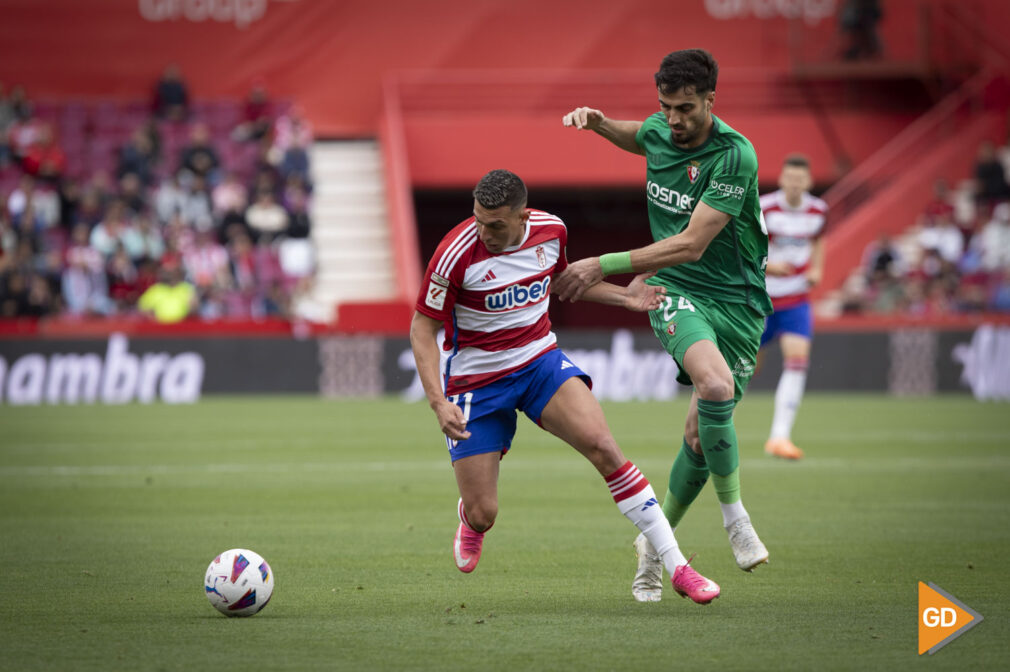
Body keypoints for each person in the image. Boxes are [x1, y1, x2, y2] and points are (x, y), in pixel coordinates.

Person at [410, 169, 721, 604]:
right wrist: (438, 403)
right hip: (477, 382)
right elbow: (422, 330)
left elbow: (561, 284)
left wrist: (625, 298)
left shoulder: (551, 230)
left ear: (523, 216)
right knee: (485, 512)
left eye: (496, 224)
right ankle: (470, 519)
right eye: (478, 220)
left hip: (539, 362)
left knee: (604, 447)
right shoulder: (455, 253)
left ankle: (677, 567)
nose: (484, 231)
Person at [557, 48, 770, 602]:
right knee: (716, 385)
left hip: (740, 303)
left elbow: (694, 244)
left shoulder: (734, 156)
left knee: (701, 435)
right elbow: (640, 134)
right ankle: (736, 519)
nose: (673, 119)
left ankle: (654, 546)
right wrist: (601, 124)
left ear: (710, 101)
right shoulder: (659, 128)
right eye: (665, 107)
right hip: (675, 289)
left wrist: (601, 264)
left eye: (684, 108)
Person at [757, 155, 827, 460]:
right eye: (790, 178)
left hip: (796, 298)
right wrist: (768, 266)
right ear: (782, 179)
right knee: (744, 368)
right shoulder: (765, 206)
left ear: (808, 182)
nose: (795, 184)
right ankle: (714, 424)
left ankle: (780, 437)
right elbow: (746, 244)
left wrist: (817, 270)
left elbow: (819, 240)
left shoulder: (818, 210)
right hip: (760, 298)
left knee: (797, 362)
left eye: (801, 179)